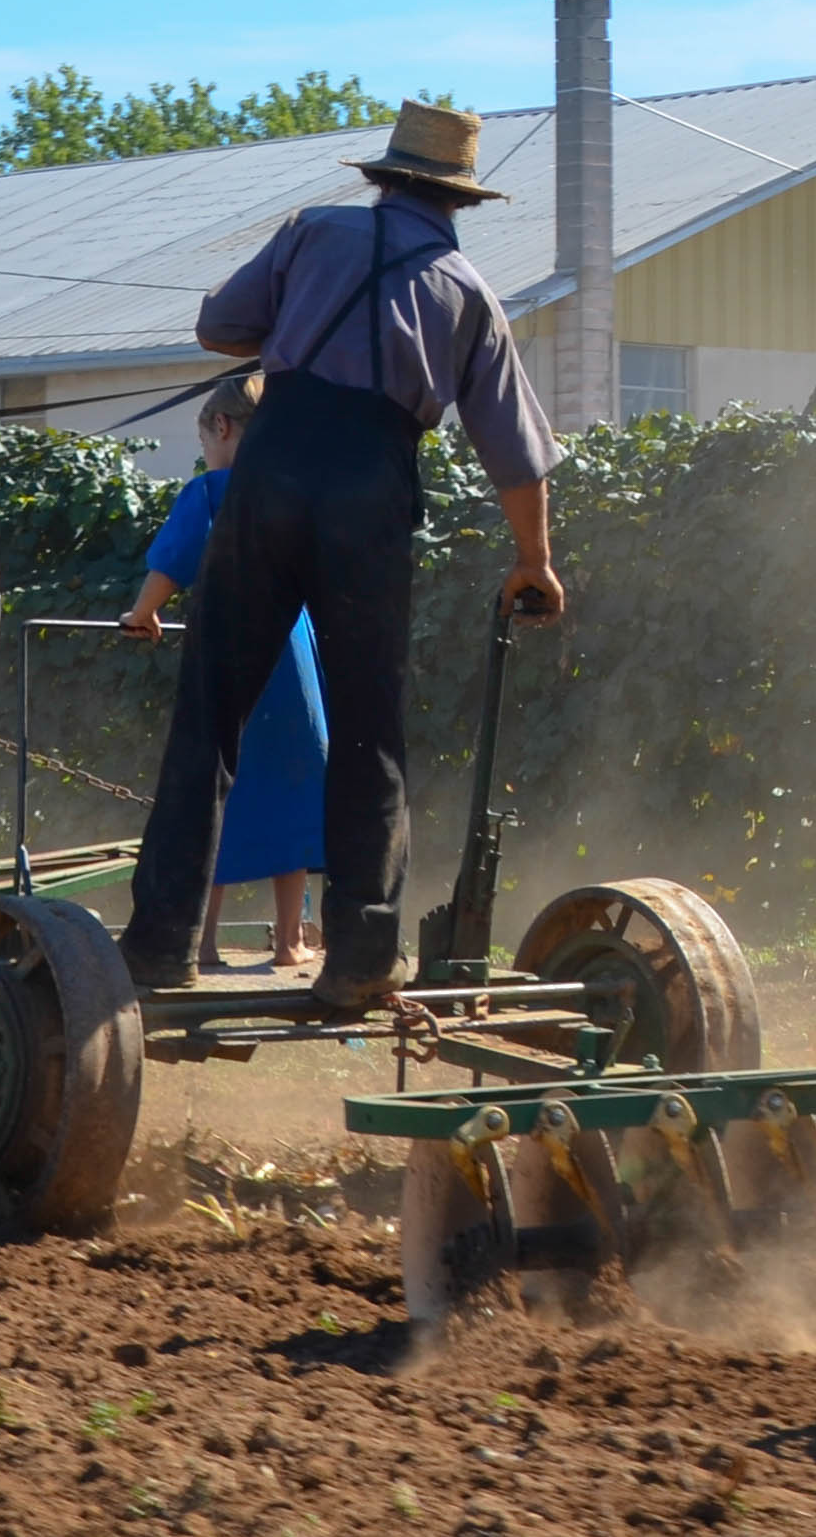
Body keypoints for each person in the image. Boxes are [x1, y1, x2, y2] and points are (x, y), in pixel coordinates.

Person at [122, 99, 565, 1008]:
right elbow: (515, 448)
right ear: (459, 202)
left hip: (272, 471)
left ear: (383, 178)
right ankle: (361, 956)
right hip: (372, 490)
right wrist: (534, 558)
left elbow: (217, 329)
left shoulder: (311, 233)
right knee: (369, 727)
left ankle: (162, 945)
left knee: (212, 713)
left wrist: (291, 332)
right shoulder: (470, 293)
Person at [121, 374, 327, 972]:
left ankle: (199, 942)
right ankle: (291, 942)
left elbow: (174, 560)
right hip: (300, 665)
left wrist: (143, 614)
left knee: (211, 797)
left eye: (206, 439)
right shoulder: (299, 492)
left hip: (237, 661)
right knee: (291, 793)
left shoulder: (213, 491)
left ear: (223, 427)